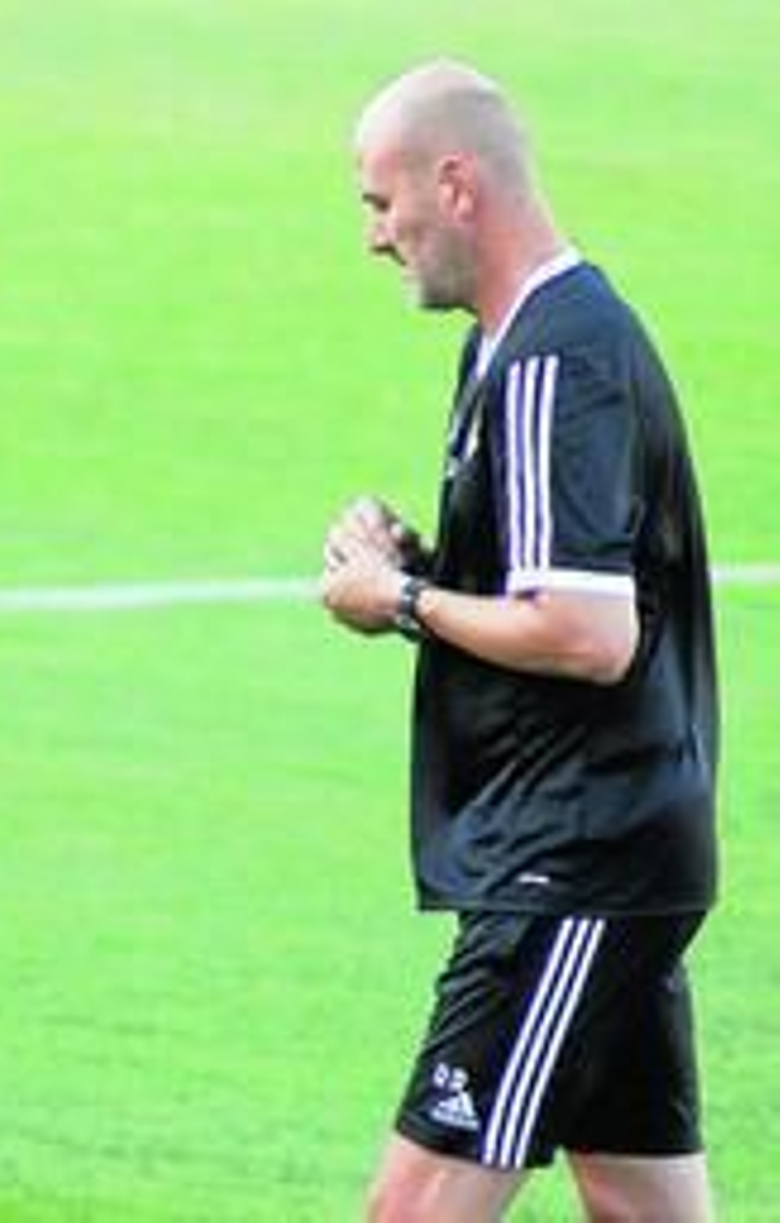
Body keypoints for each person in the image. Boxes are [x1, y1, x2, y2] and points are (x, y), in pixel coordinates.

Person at [320, 61, 719, 1222]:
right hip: (611, 849)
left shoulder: (557, 357)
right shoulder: (511, 344)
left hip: (576, 859)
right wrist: (421, 567)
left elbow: (589, 631)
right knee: (640, 1201)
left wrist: (399, 602)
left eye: (377, 202)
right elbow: (552, 589)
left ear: (454, 184)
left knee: (412, 1209)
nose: (373, 238)